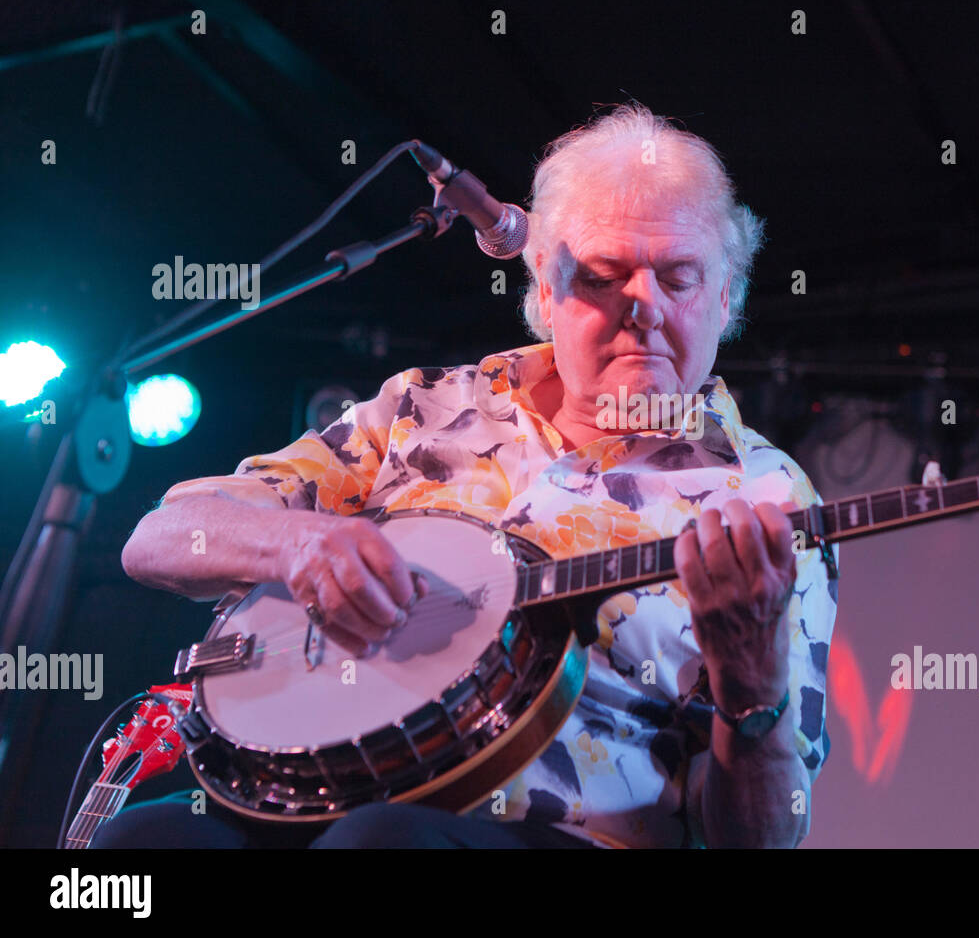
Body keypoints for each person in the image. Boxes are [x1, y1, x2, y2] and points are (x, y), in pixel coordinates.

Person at [100, 102, 837, 849]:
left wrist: (753, 687)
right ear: (546, 293)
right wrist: (296, 545)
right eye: (604, 276)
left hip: (554, 835)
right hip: (318, 792)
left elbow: (767, 838)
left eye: (678, 276)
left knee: (383, 844)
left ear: (725, 298)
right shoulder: (426, 406)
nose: (642, 306)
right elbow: (156, 541)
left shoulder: (767, 497)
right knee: (142, 847)